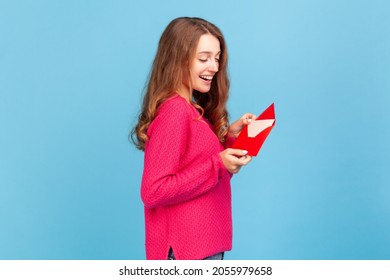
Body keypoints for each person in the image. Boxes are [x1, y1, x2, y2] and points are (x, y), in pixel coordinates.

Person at [131, 17, 256, 260]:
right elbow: (153, 191)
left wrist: (231, 141)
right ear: (178, 59)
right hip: (186, 254)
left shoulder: (192, 110)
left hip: (202, 249)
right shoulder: (175, 111)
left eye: (217, 58)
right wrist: (218, 164)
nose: (214, 67)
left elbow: (204, 172)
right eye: (204, 58)